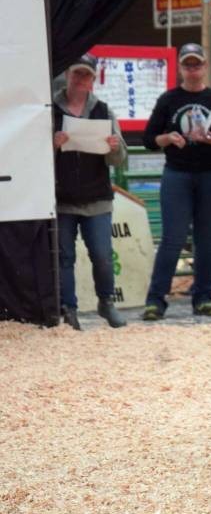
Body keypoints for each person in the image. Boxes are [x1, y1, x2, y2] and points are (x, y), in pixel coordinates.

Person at [141, 44, 211, 320]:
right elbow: (149, 139)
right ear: (181, 68)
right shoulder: (169, 100)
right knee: (172, 238)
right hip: (178, 173)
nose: (193, 70)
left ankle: (203, 297)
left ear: (205, 66)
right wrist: (167, 138)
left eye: (197, 64)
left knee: (207, 239)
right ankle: (156, 299)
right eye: (188, 65)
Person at [51, 53, 128, 330]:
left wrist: (115, 147)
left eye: (86, 75)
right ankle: (68, 309)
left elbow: (119, 161)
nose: (81, 79)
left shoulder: (104, 111)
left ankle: (106, 302)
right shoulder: (51, 110)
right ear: (68, 75)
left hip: (97, 197)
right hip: (62, 198)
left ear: (94, 80)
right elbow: (34, 156)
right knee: (64, 258)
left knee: (103, 255)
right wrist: (53, 145)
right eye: (77, 73)